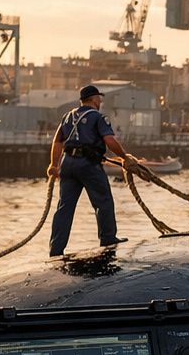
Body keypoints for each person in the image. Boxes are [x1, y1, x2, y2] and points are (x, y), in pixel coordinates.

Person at [47, 84, 133, 256]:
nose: (100, 101)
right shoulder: (98, 117)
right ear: (94, 99)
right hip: (88, 164)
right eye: (99, 98)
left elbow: (57, 142)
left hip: (67, 163)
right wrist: (125, 157)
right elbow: (109, 140)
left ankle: (56, 249)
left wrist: (54, 165)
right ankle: (108, 238)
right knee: (103, 201)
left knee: (64, 207)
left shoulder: (67, 117)